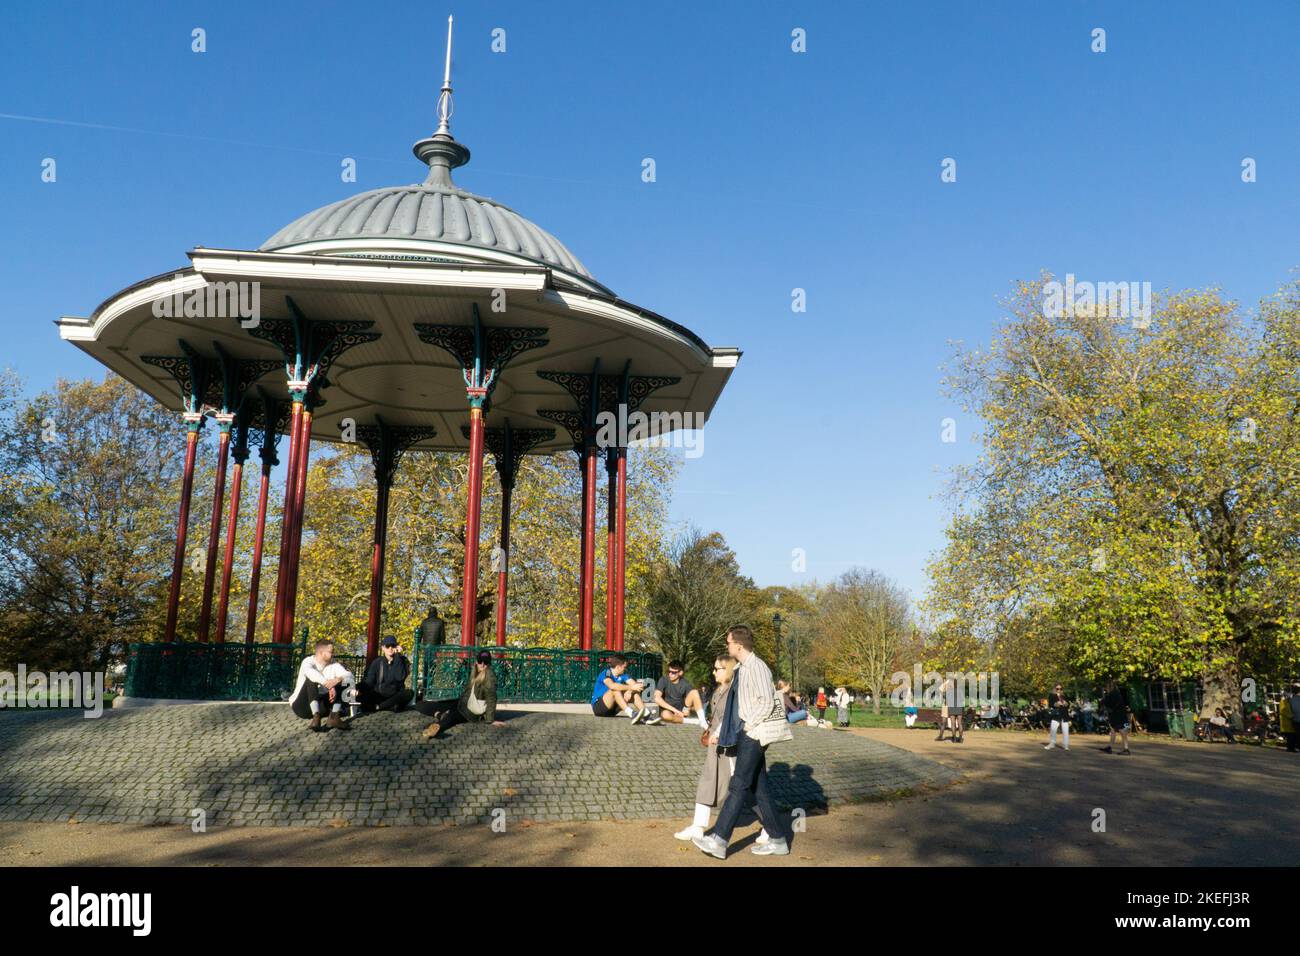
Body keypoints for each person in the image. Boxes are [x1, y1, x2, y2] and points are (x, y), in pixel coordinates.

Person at [692, 625, 791, 859]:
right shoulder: (744, 667)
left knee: (737, 786)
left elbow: (766, 703)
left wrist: (748, 726)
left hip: (753, 734)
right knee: (760, 789)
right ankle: (778, 840)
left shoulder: (756, 667)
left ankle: (719, 840)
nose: (727, 645)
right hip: (749, 732)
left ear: (738, 644)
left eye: (728, 642)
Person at [675, 654, 765, 846]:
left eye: (718, 668)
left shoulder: (735, 690)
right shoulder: (720, 689)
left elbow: (735, 715)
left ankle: (769, 825)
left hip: (730, 746)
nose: (714, 671)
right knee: (708, 782)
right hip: (718, 746)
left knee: (743, 786)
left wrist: (717, 731)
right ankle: (698, 827)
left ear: (728, 669)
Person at [421, 649, 506, 739]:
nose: (483, 664)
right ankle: (437, 714)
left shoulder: (490, 676)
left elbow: (491, 698)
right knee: (429, 705)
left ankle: (437, 728)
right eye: (480, 661)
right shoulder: (475, 671)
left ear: (489, 664)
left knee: (452, 716)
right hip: (464, 702)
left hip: (471, 711)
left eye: (486, 662)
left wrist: (490, 720)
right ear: (477, 661)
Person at [290, 639, 355, 731]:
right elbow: (311, 673)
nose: (333, 654)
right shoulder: (308, 661)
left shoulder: (334, 664)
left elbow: (350, 676)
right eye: (331, 652)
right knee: (310, 679)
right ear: (321, 652)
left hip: (322, 704)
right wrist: (328, 684)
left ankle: (333, 717)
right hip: (302, 706)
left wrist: (337, 680)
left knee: (344, 680)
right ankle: (316, 717)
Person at [357, 636, 413, 713]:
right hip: (379, 695)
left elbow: (399, 677)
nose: (390, 648)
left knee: (408, 693)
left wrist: (397, 656)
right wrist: (358, 689)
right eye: (387, 646)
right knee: (362, 695)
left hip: (395, 695)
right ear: (383, 648)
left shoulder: (402, 660)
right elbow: (369, 681)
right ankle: (388, 706)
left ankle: (378, 707)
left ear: (396, 647)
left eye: (393, 646)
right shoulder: (377, 662)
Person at [590, 654, 652, 723]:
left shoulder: (624, 675)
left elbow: (636, 686)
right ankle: (631, 713)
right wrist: (631, 687)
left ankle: (646, 715)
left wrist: (630, 691)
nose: (625, 669)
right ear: (618, 667)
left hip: (612, 711)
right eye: (624, 667)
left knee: (634, 694)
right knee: (615, 690)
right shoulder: (606, 673)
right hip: (599, 707)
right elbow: (612, 686)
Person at [655, 660, 707, 727]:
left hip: (682, 711)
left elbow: (692, 704)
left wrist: (688, 709)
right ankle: (692, 721)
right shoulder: (663, 680)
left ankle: (703, 721)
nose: (670, 674)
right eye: (669, 671)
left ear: (680, 672)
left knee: (694, 692)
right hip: (668, 711)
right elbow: (657, 698)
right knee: (665, 715)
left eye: (673, 672)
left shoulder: (686, 684)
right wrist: (675, 711)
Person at [1100, 681, 1131, 755]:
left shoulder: (1113, 694)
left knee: (1122, 732)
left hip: (1119, 716)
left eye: (1107, 687)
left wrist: (1103, 701)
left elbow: (1107, 703)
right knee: (1113, 730)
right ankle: (1110, 747)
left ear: (1110, 687)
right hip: (1117, 715)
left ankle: (1126, 749)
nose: (1106, 689)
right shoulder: (1116, 693)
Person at [1044, 682, 1070, 751]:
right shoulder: (1052, 695)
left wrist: (1066, 703)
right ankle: (1052, 744)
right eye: (1057, 688)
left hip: (1064, 714)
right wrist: (1056, 704)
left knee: (1065, 731)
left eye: (1060, 688)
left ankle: (1066, 745)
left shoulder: (1064, 696)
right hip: (1056, 714)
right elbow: (1050, 704)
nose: (1059, 690)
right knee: (1053, 730)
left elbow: (1068, 704)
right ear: (1055, 689)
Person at [1281, 683, 1299, 753]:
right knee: (1291, 735)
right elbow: (1283, 711)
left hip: (1292, 720)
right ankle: (1290, 748)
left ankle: (1292, 748)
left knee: (1293, 735)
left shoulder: (1290, 701)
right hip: (1290, 720)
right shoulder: (1285, 701)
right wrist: (1291, 716)